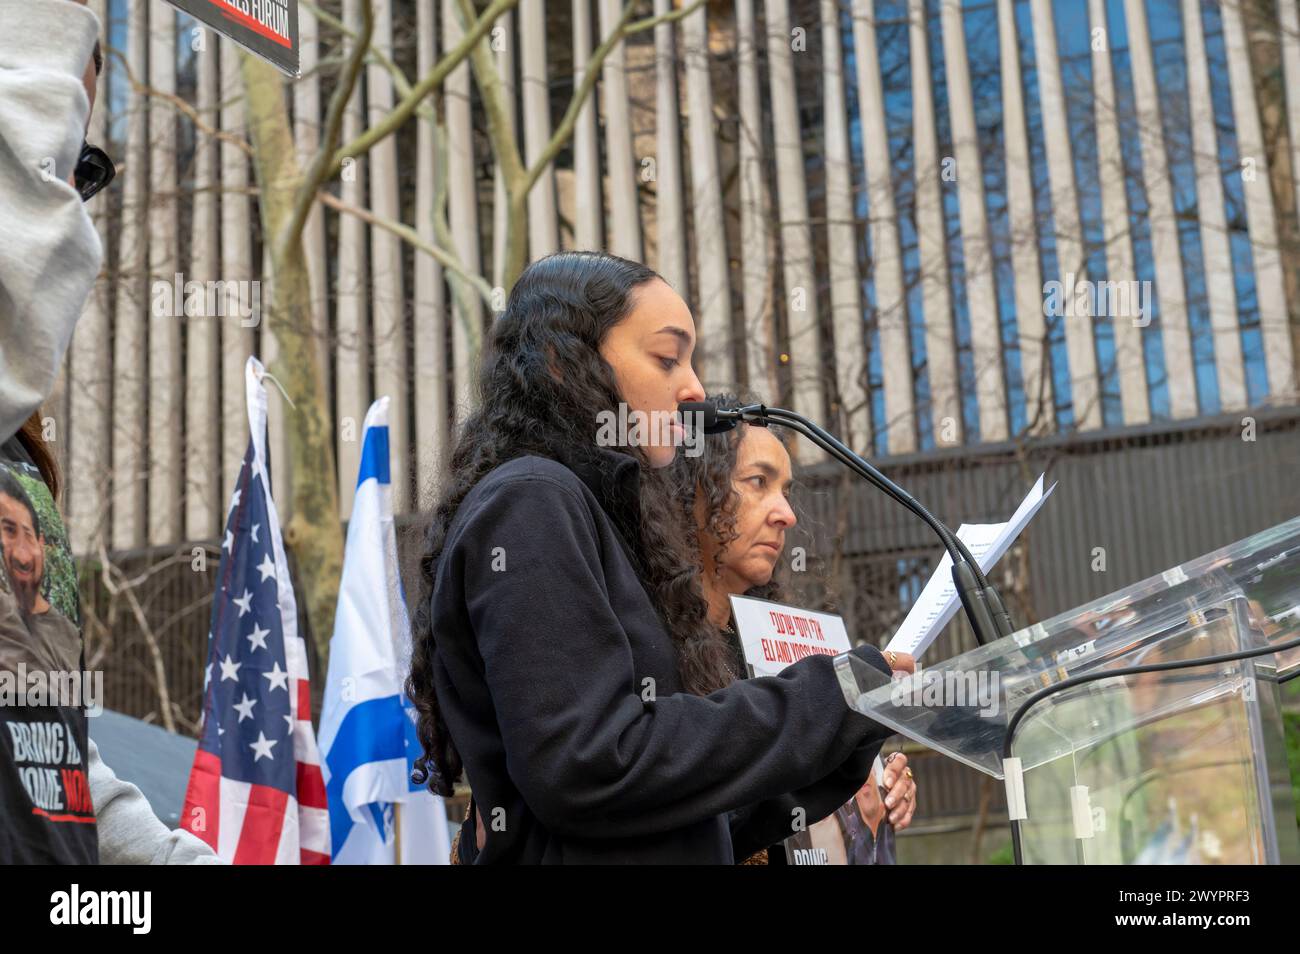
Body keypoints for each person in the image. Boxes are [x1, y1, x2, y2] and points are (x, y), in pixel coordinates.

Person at [407, 250, 899, 863]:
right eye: (667, 358)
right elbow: (590, 767)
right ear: (565, 363)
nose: (693, 387)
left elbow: (686, 817)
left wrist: (850, 726)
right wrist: (826, 695)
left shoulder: (589, 510)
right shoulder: (532, 501)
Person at [0, 0, 219, 864]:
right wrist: (57, 31)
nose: (71, 210)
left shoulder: (19, 460)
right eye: (55, 169)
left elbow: (54, 752)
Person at [666, 390, 916, 864]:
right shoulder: (652, 654)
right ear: (692, 492)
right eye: (758, 481)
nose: (787, 514)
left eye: (785, 490)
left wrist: (869, 785)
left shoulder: (777, 647)